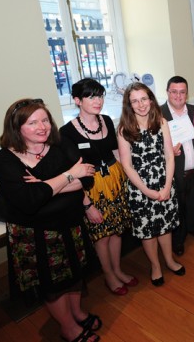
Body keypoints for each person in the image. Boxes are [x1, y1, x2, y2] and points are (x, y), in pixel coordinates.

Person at [0, 98, 99, 342]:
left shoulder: (61, 145)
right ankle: (67, 327)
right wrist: (69, 176)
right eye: (32, 122)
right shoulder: (5, 160)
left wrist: (44, 186)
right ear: (16, 127)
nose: (42, 127)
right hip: (38, 234)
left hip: (71, 224)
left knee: (74, 273)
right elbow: (29, 201)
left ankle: (77, 312)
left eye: (44, 120)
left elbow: (88, 180)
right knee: (53, 285)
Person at [60, 79, 135, 297]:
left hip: (115, 181)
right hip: (90, 187)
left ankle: (118, 269)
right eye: (91, 96)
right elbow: (73, 172)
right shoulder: (67, 132)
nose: (98, 101)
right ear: (77, 100)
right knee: (101, 234)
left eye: (100, 95)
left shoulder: (107, 121)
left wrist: (130, 178)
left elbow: (115, 153)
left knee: (117, 230)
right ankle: (109, 275)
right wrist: (87, 205)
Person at [117, 83, 184, 286]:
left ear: (151, 99)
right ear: (129, 105)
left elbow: (169, 157)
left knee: (165, 227)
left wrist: (166, 187)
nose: (141, 104)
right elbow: (127, 166)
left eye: (144, 99)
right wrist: (147, 191)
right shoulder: (124, 130)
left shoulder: (161, 122)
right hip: (141, 189)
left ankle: (170, 260)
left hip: (164, 182)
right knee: (148, 231)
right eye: (135, 101)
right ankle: (155, 266)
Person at [160, 76, 194, 257]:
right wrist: (168, 151)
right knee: (177, 206)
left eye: (182, 92)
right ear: (167, 93)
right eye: (174, 92)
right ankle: (178, 239)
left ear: (186, 94)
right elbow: (154, 146)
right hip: (174, 171)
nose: (178, 96)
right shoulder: (159, 114)